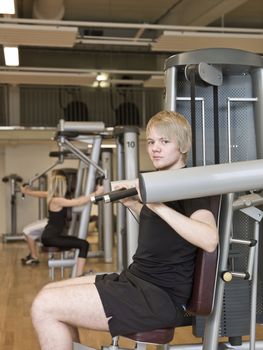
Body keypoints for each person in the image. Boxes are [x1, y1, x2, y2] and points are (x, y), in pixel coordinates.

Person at [31, 111, 218, 350]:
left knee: (45, 305)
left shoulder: (189, 186)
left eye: (164, 141)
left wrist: (155, 204)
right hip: (135, 280)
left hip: (157, 297)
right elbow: (164, 229)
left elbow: (209, 239)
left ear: (182, 146)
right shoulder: (160, 183)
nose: (155, 148)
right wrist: (134, 205)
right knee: (47, 292)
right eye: (151, 142)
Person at [21, 173, 103, 276]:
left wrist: (27, 191)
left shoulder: (52, 196)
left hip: (50, 236)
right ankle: (79, 275)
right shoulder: (57, 200)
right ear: (61, 186)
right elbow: (78, 202)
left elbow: (40, 194)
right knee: (84, 244)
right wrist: (97, 192)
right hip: (51, 238)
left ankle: (78, 273)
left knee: (80, 242)